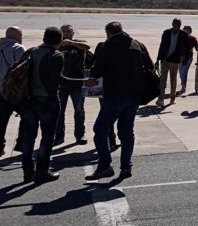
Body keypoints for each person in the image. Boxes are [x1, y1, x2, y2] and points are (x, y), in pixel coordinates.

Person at [84, 22, 154, 180]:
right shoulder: (137, 45)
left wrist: (92, 78)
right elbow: (149, 66)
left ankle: (105, 166)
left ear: (108, 33)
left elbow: (97, 70)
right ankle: (126, 166)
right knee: (127, 131)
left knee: (100, 129)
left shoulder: (107, 47)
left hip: (115, 95)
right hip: (134, 95)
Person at [17, 27, 64, 183]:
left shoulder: (31, 51)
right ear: (59, 40)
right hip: (47, 100)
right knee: (47, 138)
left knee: (28, 137)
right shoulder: (56, 55)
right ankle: (42, 171)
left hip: (29, 100)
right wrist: (82, 81)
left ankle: (27, 171)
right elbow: (56, 81)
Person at [54, 24, 92, 146]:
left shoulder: (79, 43)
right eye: (63, 31)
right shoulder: (56, 45)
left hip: (78, 82)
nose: (66, 33)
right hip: (62, 84)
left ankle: (80, 135)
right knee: (59, 112)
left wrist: (72, 43)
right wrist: (60, 44)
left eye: (69, 31)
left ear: (73, 33)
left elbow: (87, 46)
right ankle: (59, 136)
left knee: (79, 110)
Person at [0, 26, 27, 157]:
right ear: (17, 36)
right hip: (14, 91)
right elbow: (24, 70)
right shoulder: (18, 48)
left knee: (1, 120)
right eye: (21, 35)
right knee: (27, 115)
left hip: (0, 91)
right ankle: (21, 143)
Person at [156, 18, 186, 107]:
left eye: (178, 23)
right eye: (175, 23)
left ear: (180, 25)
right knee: (162, 79)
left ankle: (172, 98)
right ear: (172, 23)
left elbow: (186, 47)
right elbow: (162, 45)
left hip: (175, 60)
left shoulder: (183, 34)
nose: (176, 25)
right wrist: (158, 59)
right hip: (165, 59)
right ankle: (161, 98)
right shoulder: (166, 32)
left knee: (173, 79)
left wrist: (185, 59)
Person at [178, 25, 198, 95]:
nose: (186, 32)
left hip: (188, 57)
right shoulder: (179, 38)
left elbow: (196, 47)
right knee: (181, 72)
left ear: (190, 31)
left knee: (184, 71)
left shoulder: (193, 39)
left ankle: (183, 86)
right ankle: (183, 83)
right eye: (185, 30)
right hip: (179, 57)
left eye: (188, 31)